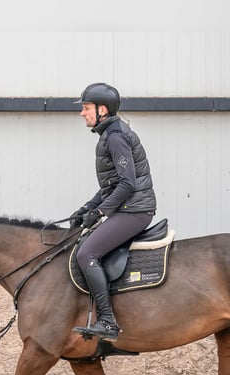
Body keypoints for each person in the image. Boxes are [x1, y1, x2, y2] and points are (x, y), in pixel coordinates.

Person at [70, 82, 157, 342]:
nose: (82, 113)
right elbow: (111, 185)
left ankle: (107, 321)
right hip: (127, 207)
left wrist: (100, 213)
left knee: (87, 253)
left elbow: (128, 184)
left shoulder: (116, 136)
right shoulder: (109, 133)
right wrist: (89, 206)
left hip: (135, 210)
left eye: (86, 108)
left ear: (102, 109)